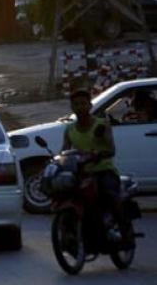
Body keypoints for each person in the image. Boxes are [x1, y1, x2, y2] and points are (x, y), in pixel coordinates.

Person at [61, 89, 131, 247]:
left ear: (90, 105)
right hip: (81, 173)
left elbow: (111, 149)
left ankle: (124, 232)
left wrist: (99, 154)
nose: (80, 107)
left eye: (83, 104)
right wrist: (58, 161)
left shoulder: (102, 125)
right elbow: (64, 150)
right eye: (76, 104)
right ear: (72, 107)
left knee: (110, 195)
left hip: (103, 170)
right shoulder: (69, 129)